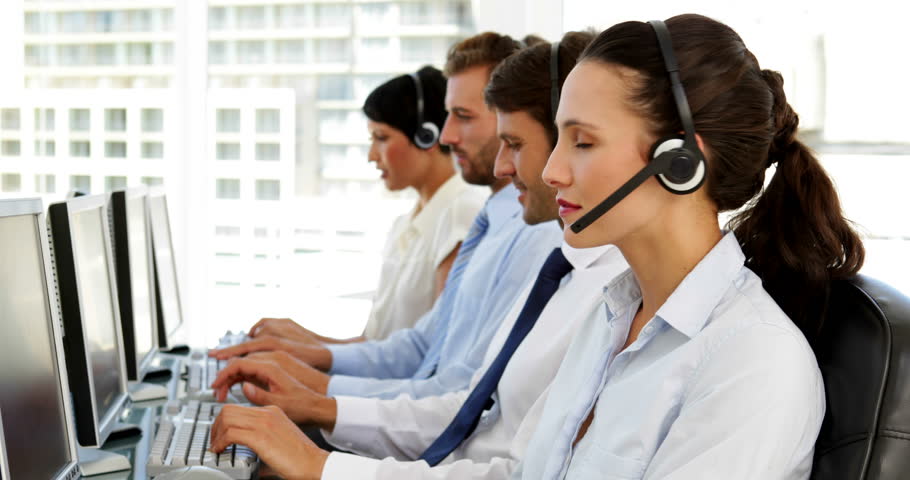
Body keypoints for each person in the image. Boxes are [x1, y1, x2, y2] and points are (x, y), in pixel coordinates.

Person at [208, 30, 627, 480]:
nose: (447, 136)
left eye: (465, 117)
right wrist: (314, 398)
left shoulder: (553, 249)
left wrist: (321, 430)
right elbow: (457, 392)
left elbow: (470, 414)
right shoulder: (560, 258)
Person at [514, 14, 865, 479]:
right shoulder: (612, 318)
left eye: (582, 142)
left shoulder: (752, 362)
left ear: (681, 163)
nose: (550, 172)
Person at [210, 32, 562, 404]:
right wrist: (305, 363)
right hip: (409, 415)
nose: (445, 135)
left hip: (421, 428)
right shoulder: (494, 220)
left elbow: (451, 390)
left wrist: (317, 393)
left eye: (462, 116)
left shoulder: (527, 230)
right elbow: (421, 347)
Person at [360, 66, 488, 340]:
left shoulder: (463, 211)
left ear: (425, 135)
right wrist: (291, 343)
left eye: (381, 138)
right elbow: (372, 344)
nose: (372, 156)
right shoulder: (403, 225)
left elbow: (437, 348)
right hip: (377, 379)